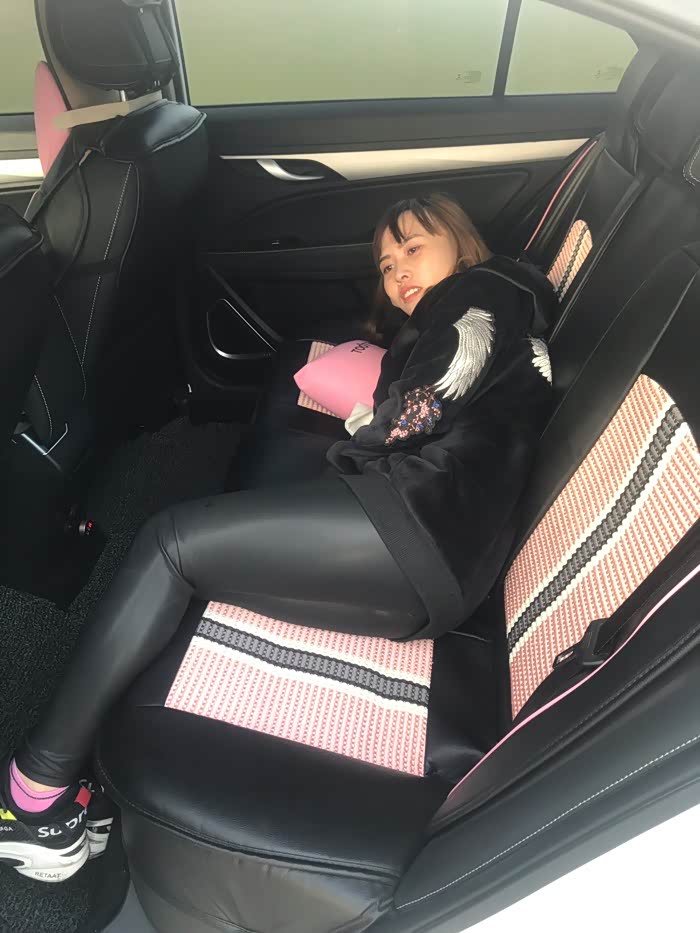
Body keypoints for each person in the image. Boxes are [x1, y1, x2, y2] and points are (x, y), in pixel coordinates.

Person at [0, 193, 558, 882]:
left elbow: (429, 401)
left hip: (413, 524)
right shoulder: (507, 303)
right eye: (387, 264)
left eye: (415, 248)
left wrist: (351, 454)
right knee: (196, 565)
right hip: (436, 561)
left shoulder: (481, 292)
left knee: (169, 544)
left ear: (463, 244)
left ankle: (32, 793)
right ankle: (82, 786)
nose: (398, 272)